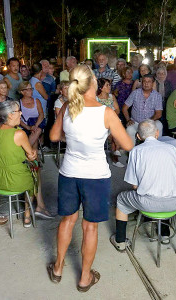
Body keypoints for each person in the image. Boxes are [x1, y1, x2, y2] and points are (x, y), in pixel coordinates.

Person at [48, 65, 133, 292]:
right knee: (90, 228)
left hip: (69, 173)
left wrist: (75, 137)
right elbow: (127, 145)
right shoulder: (106, 113)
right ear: (93, 82)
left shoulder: (67, 106)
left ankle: (57, 268)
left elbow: (54, 136)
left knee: (67, 220)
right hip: (95, 176)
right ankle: (85, 278)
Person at [110, 119, 176, 251]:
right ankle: (164, 234)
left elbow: (134, 185)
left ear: (138, 136)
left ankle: (120, 241)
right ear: (157, 133)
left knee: (121, 199)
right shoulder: (172, 149)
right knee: (164, 188)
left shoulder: (136, 151)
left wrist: (148, 185)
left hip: (150, 203)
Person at [0, 101, 54, 223]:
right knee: (35, 168)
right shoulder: (19, 133)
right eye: (18, 111)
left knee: (32, 167)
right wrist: (33, 154)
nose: (21, 113)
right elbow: (31, 156)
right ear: (10, 115)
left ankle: (38, 207)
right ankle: (28, 214)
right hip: (16, 179)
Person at [122, 74, 163, 145]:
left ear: (153, 83)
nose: (146, 83)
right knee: (129, 129)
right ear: (141, 83)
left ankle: (155, 148)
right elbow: (124, 108)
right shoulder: (135, 93)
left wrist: (149, 121)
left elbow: (158, 113)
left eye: (149, 81)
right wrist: (128, 119)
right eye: (144, 81)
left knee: (159, 125)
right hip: (136, 122)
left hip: (150, 122)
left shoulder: (157, 96)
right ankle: (132, 152)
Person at [96, 78, 122, 167]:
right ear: (101, 88)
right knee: (114, 135)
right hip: (100, 122)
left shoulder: (112, 97)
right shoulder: (95, 99)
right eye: (107, 85)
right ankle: (115, 154)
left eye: (109, 85)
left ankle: (116, 155)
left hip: (112, 120)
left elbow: (117, 110)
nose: (109, 87)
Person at [18, 81, 45, 150]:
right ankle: (35, 158)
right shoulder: (18, 103)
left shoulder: (36, 101)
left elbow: (41, 115)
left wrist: (35, 126)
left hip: (37, 125)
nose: (31, 91)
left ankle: (24, 151)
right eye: (28, 89)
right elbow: (18, 119)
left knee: (37, 130)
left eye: (31, 89)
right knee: (35, 137)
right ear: (22, 92)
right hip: (24, 126)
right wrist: (28, 127)